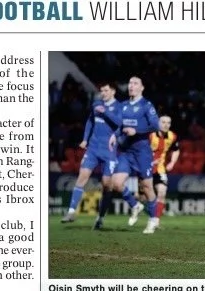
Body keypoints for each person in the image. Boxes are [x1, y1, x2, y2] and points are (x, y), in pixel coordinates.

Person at [63, 83, 121, 224]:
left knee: (106, 184)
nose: (103, 93)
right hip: (93, 148)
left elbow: (120, 123)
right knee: (82, 176)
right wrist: (85, 139)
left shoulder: (119, 107)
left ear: (113, 92)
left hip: (109, 151)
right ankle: (71, 212)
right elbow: (90, 121)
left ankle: (100, 217)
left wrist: (105, 112)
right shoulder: (96, 104)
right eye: (101, 91)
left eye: (106, 90)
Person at [112, 76, 162, 233]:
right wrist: (114, 135)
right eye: (130, 83)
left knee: (147, 187)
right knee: (116, 183)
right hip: (126, 152)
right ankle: (135, 205)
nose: (131, 86)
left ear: (142, 88)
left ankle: (153, 220)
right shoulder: (123, 106)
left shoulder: (146, 105)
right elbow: (119, 126)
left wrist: (137, 131)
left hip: (142, 152)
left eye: (135, 83)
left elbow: (155, 125)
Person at [147, 114, 180, 232]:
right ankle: (150, 215)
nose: (166, 125)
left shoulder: (172, 136)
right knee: (142, 197)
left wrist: (172, 162)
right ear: (158, 123)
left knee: (162, 193)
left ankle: (155, 221)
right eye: (163, 122)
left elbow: (176, 150)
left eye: (168, 122)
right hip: (146, 169)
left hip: (160, 169)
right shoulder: (150, 135)